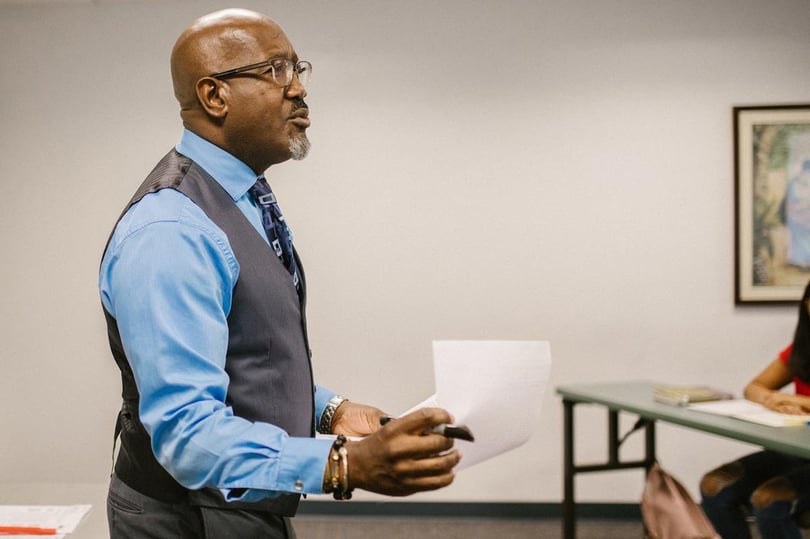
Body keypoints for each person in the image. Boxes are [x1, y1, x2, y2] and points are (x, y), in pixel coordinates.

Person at [99, 8, 461, 538]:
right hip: (187, 519)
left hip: (242, 504)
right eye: (276, 70)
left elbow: (247, 356)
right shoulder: (170, 231)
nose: (298, 90)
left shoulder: (243, 198)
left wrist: (330, 411)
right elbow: (187, 434)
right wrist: (343, 464)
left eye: (298, 68)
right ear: (214, 96)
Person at [699, 281, 810, 539]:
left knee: (768, 499)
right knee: (714, 486)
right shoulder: (800, 351)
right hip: (794, 449)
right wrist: (771, 398)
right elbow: (753, 387)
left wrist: (799, 401)